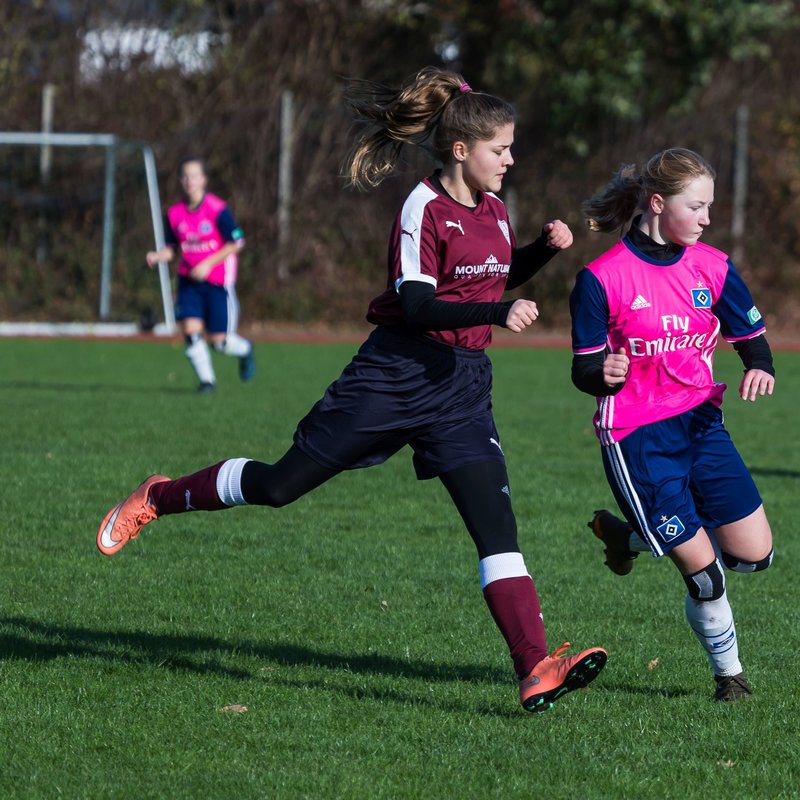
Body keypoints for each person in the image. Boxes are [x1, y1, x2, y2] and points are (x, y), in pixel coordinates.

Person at [98, 67, 606, 713]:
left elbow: (489, 278)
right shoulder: (421, 208)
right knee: (280, 487)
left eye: (510, 147)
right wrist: (495, 314)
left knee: (497, 529)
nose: (510, 158)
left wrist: (538, 251)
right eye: (500, 148)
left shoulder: (498, 209)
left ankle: (535, 666)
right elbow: (419, 305)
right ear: (460, 151)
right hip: (393, 377)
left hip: (460, 390)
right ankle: (161, 495)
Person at [570, 148, 775, 702]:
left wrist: (759, 364)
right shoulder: (600, 279)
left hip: (702, 425)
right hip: (637, 438)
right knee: (707, 577)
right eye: (697, 206)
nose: (707, 218)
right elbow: (583, 368)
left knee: (755, 554)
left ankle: (627, 536)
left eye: (710, 206)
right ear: (657, 204)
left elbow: (749, 333)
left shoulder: (712, 265)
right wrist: (602, 372)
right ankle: (730, 680)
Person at [147, 157, 256, 392]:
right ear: (180, 180)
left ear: (204, 180)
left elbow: (237, 242)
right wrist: (159, 256)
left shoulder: (218, 210)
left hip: (217, 283)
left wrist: (208, 264)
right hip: (188, 282)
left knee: (220, 343)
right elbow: (172, 247)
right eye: (185, 176)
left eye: (194, 175)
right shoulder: (175, 213)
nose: (189, 181)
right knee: (191, 333)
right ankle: (207, 382)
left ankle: (246, 350)